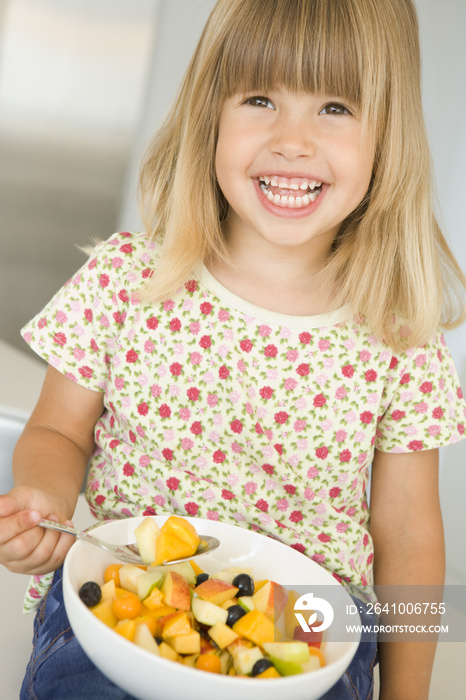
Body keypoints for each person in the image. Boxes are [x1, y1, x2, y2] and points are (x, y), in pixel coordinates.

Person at [1, 0, 465, 698]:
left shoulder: (400, 335)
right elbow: (59, 430)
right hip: (126, 598)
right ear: (208, 115)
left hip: (310, 629)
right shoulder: (126, 279)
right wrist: (42, 494)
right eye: (259, 99)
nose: (292, 141)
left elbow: (407, 534)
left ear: (390, 135)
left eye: (335, 107)